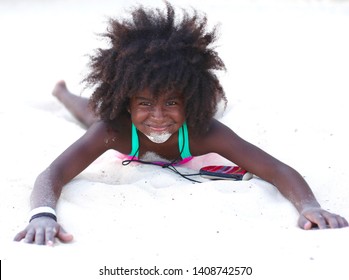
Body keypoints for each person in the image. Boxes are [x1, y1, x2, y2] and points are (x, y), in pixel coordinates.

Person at [14, 2, 348, 246]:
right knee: (90, 115)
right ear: (126, 102)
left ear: (190, 99)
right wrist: (43, 214)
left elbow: (276, 169)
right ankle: (62, 93)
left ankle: (202, 99)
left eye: (172, 102)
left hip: (192, 119)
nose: (158, 116)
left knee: (210, 108)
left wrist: (309, 206)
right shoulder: (113, 130)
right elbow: (52, 174)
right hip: (112, 125)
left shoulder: (204, 133)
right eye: (144, 103)